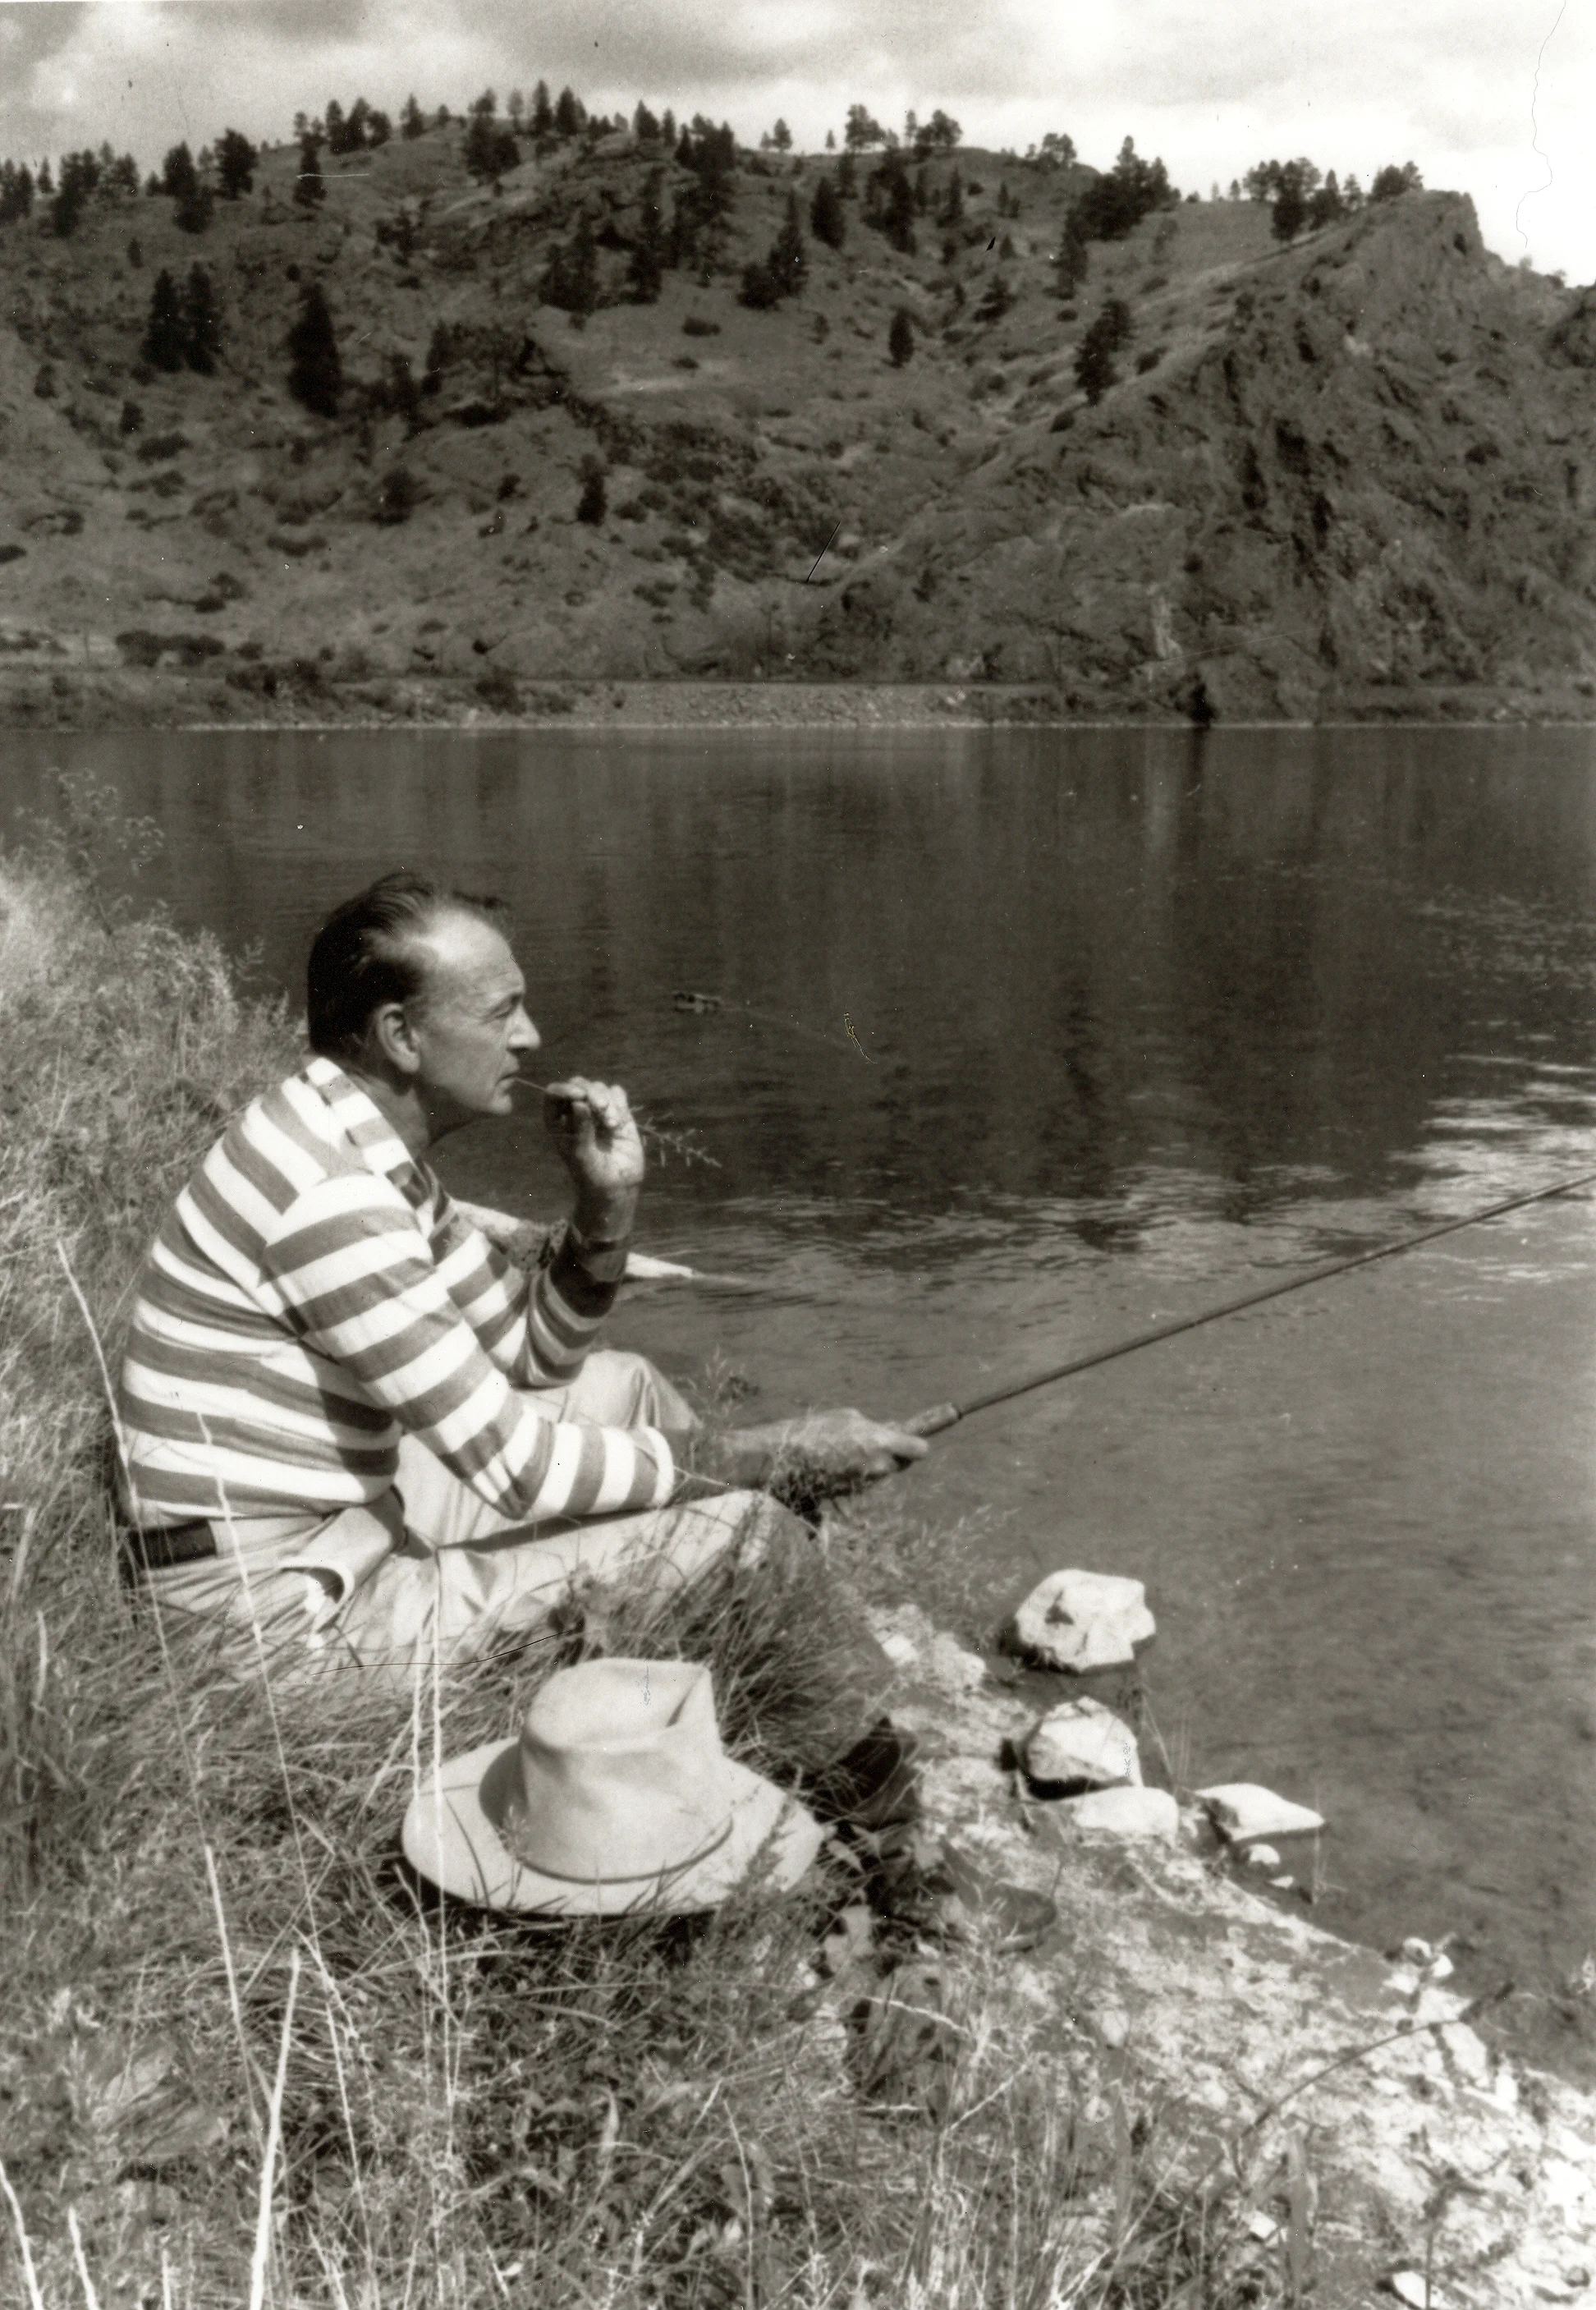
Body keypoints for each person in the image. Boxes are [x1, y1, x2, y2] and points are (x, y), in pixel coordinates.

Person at [116, 870, 927, 1687]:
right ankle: (867, 1775)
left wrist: (605, 1204)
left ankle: (728, 1634)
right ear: (400, 1034)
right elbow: (518, 1471)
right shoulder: (336, 1199)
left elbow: (533, 1352)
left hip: (328, 1534)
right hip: (273, 1621)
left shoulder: (353, 1138)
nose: (531, 1036)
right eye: (501, 1012)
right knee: (747, 1533)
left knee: (630, 1389)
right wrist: (772, 1453)